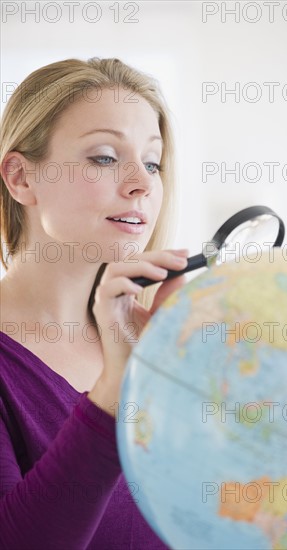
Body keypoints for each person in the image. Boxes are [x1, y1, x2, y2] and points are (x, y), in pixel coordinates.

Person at [0, 57, 189, 549]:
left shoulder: (160, 339)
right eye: (105, 157)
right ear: (21, 178)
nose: (143, 185)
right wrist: (113, 393)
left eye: (152, 162)